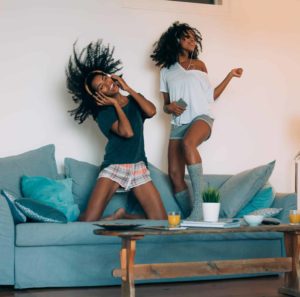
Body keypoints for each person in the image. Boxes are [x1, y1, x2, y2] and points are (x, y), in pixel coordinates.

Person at [66, 40, 167, 221]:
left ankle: (123, 215)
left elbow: (152, 111)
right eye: (100, 87)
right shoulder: (103, 113)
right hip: (115, 166)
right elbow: (127, 132)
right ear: (99, 95)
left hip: (138, 166)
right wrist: (114, 103)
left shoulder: (135, 100)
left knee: (161, 221)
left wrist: (127, 88)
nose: (106, 84)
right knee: (90, 219)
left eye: (105, 78)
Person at [151, 21, 243, 220]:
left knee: (189, 143)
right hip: (178, 123)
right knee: (175, 176)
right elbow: (165, 104)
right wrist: (170, 107)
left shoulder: (200, 65)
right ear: (176, 40)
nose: (193, 41)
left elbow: (210, 96)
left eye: (194, 38)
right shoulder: (166, 70)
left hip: (201, 118)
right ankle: (193, 216)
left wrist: (229, 76)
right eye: (188, 37)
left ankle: (200, 208)